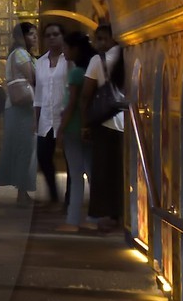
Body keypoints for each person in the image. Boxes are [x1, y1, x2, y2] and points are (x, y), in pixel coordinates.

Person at [84, 23, 126, 230]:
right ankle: (123, 214)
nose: (98, 43)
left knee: (104, 171)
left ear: (112, 38)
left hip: (106, 121)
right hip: (126, 120)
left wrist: (85, 120)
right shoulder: (130, 54)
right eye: (96, 39)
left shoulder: (97, 60)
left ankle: (108, 215)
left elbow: (87, 92)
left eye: (102, 38)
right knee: (121, 171)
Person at [0, 22, 38, 204]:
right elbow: (32, 76)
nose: (35, 37)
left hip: (22, 107)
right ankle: (22, 192)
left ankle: (23, 190)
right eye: (31, 34)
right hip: (21, 108)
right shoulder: (20, 54)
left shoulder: (22, 54)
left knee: (24, 148)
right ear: (22, 36)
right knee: (24, 148)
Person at [58, 31, 95, 233]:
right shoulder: (89, 70)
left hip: (73, 127)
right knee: (90, 171)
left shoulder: (75, 73)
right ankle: (94, 216)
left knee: (75, 173)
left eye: (66, 47)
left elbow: (72, 103)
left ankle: (72, 220)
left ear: (75, 49)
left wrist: (61, 129)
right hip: (87, 126)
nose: (64, 51)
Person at [33, 23, 68, 205]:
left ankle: (70, 198)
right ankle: (54, 195)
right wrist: (36, 119)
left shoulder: (69, 60)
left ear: (63, 36)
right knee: (43, 156)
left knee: (70, 159)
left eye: (56, 34)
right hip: (46, 117)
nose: (52, 38)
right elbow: (38, 94)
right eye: (48, 35)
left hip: (65, 116)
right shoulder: (40, 62)